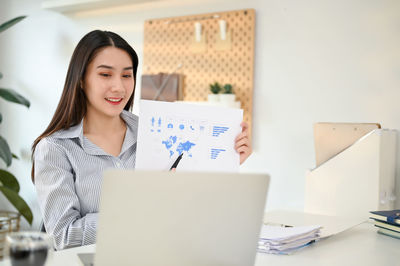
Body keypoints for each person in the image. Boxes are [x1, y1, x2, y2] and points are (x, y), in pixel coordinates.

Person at [31, 30, 252, 250]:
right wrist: (139, 209)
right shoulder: (55, 149)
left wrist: (225, 161)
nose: (119, 86)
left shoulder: (156, 131)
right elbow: (63, 236)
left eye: (127, 75)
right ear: (80, 80)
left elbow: (187, 205)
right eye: (105, 75)